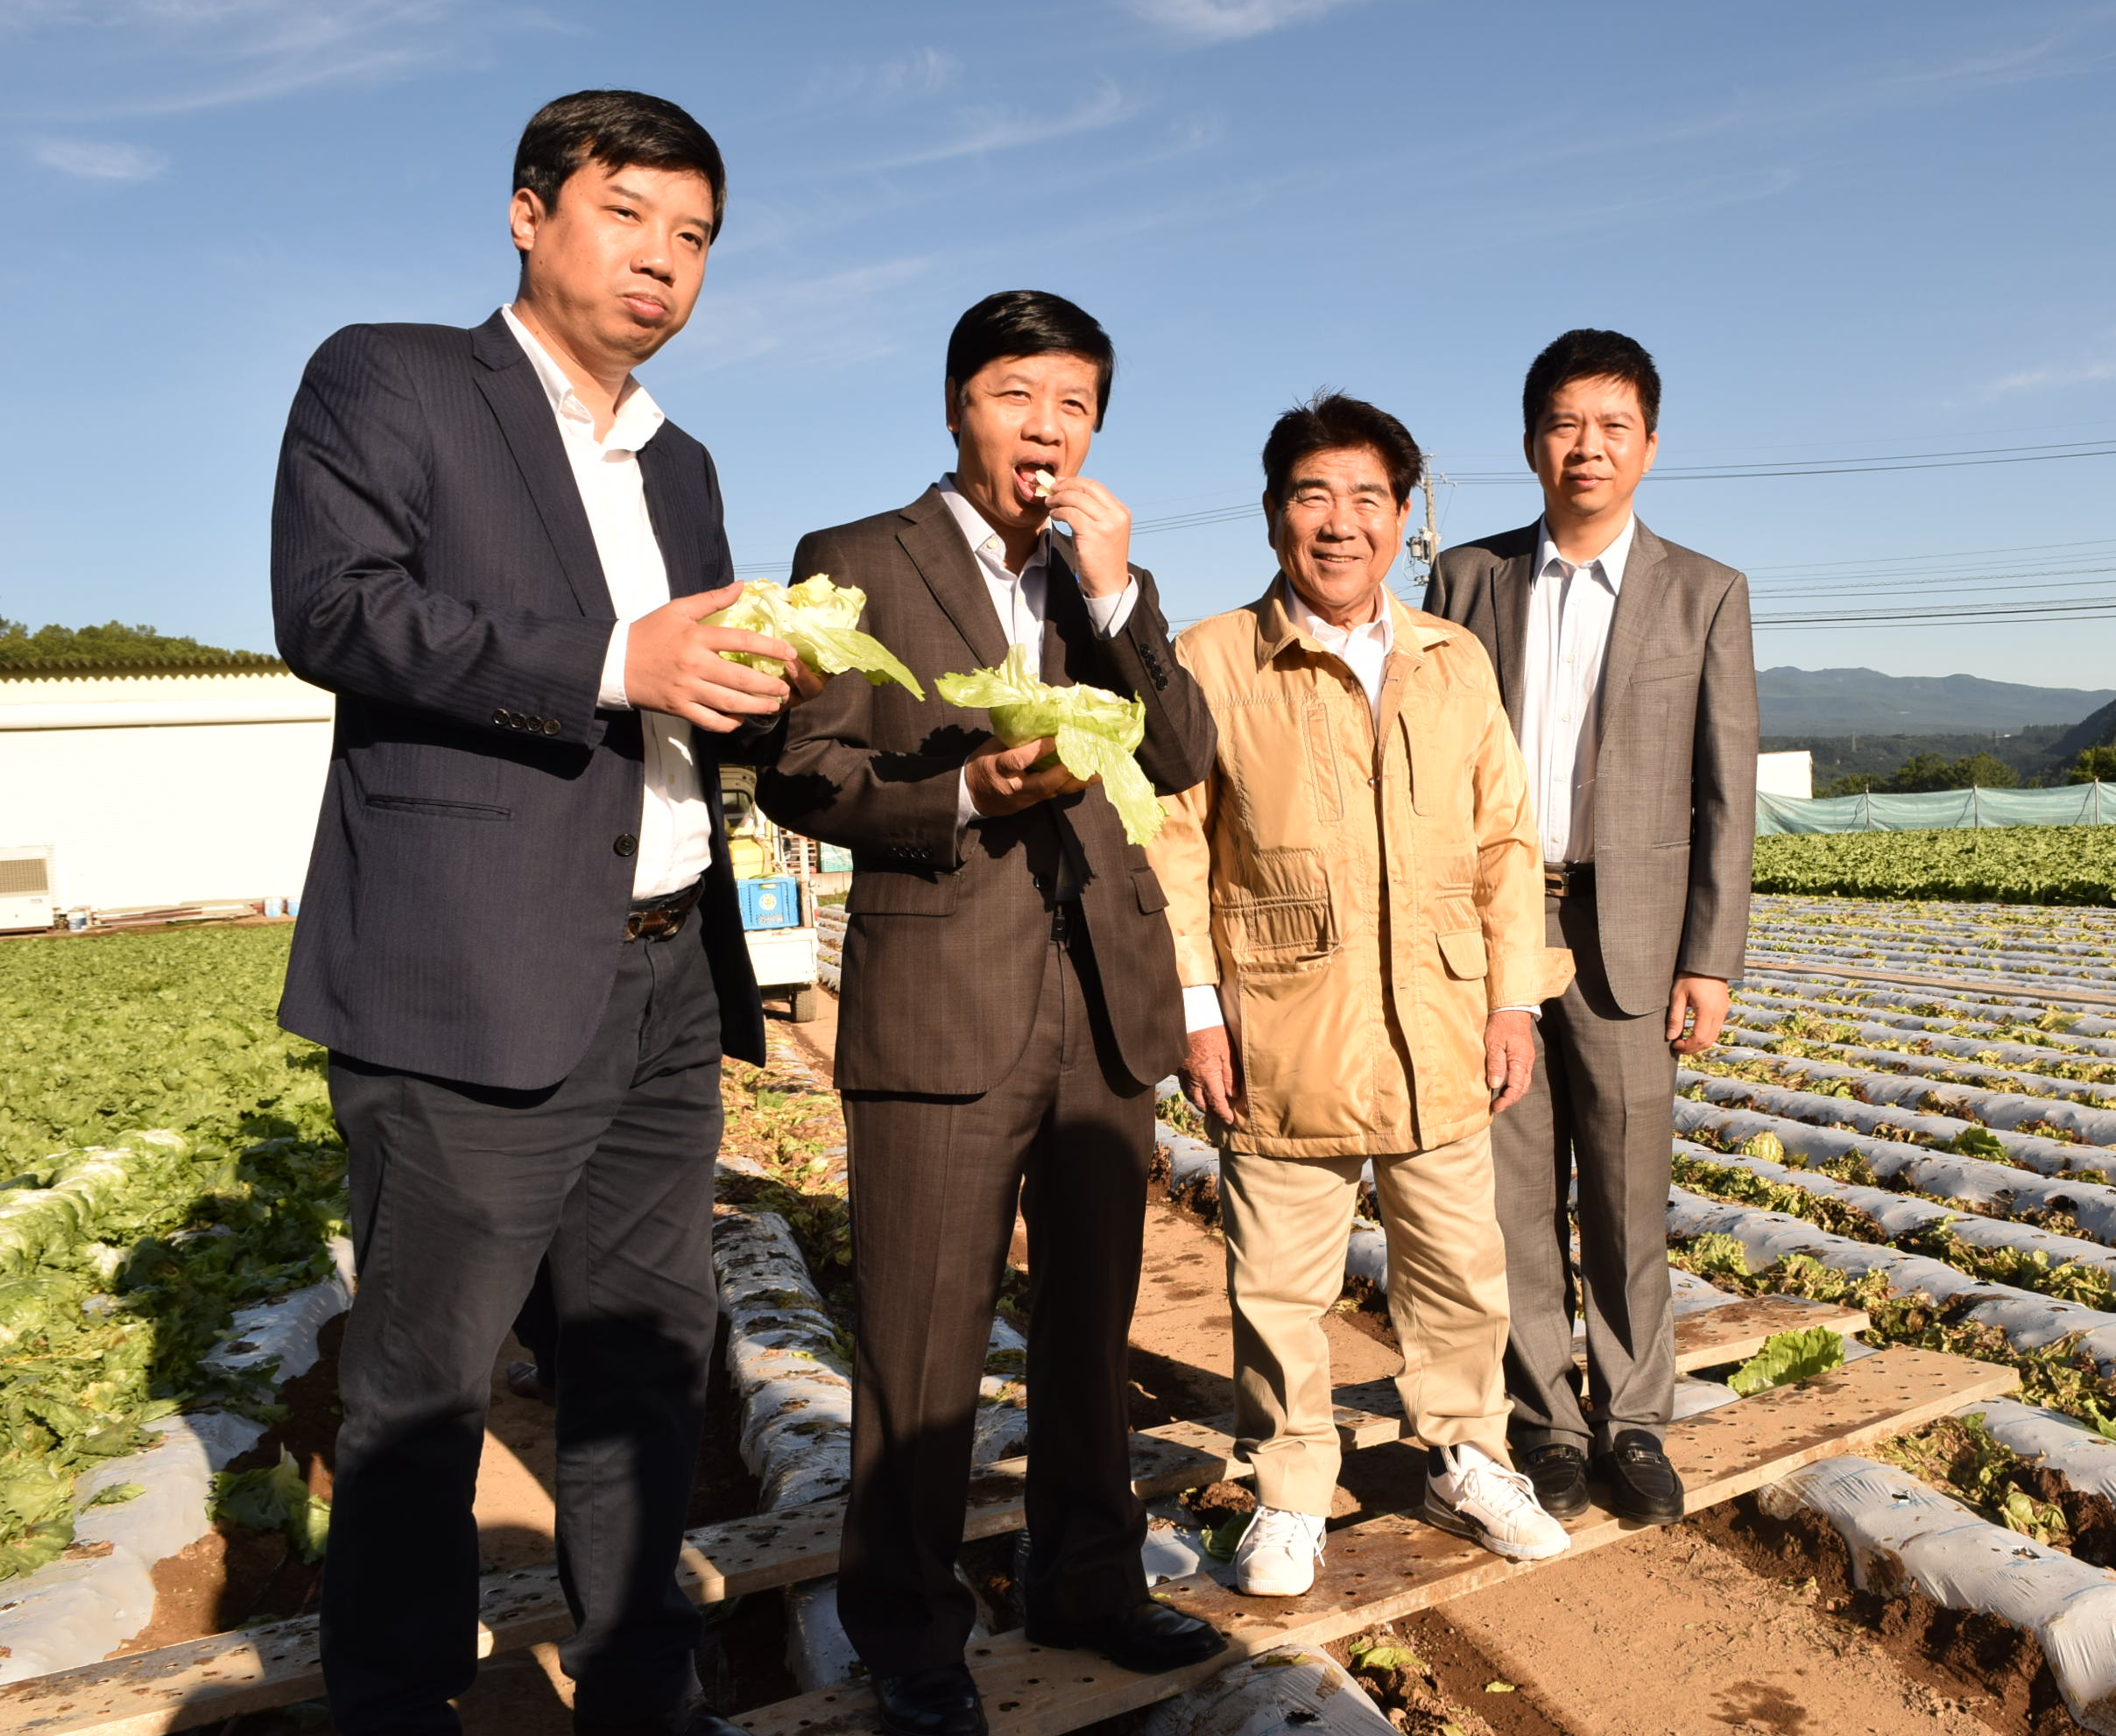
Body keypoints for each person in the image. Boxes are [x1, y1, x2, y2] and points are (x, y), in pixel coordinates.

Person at [272, 91, 816, 1736]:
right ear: (529, 213)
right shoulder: (394, 378)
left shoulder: (686, 461)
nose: (662, 261)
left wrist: (761, 693)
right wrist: (613, 662)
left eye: (696, 235)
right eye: (628, 215)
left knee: (646, 1367)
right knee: (425, 1392)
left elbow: (696, 707)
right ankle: (398, 1704)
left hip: (660, 980)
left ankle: (642, 1689)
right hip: (466, 980)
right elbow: (336, 608)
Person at [756, 292, 1224, 1736]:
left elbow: (1188, 749)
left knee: (1087, 1325)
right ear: (961, 405)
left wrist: (1127, 594)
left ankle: (1088, 1577)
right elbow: (803, 772)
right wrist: (963, 791)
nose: (1047, 428)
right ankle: (908, 1632)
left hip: (1103, 1000)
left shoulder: (1101, 583)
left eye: (1075, 406)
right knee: (921, 1338)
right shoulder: (855, 560)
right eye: (1021, 396)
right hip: (941, 997)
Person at [1157, 392, 1575, 1601]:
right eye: (1312, 496)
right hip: (1283, 1020)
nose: (1339, 525)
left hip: (1443, 1018)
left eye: (1366, 500)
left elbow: (1504, 843)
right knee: (1280, 1278)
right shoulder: (1213, 658)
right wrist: (1195, 1007)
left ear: (1401, 517)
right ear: (1276, 513)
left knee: (1457, 1264)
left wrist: (1514, 1000)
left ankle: (1465, 1455)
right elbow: (1176, 847)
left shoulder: (1453, 659)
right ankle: (1291, 1490)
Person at [1423, 329, 1759, 1526]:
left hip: (1637, 936)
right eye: (1566, 424)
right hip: (1497, 930)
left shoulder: (1705, 592)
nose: (1588, 447)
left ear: (1650, 446)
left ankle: (1634, 1420)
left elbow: (1725, 793)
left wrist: (1711, 958)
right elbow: (1429, 769)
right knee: (1511, 1196)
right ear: (1530, 443)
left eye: (1613, 426)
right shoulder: (1465, 580)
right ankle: (1545, 1426)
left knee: (1626, 1192)